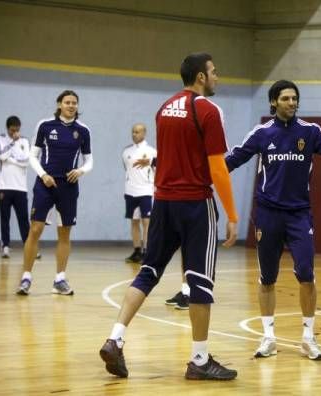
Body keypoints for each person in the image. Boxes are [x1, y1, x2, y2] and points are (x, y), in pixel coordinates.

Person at [99, 53, 239, 380]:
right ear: (200, 77)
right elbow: (218, 167)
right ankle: (200, 360)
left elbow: (171, 155)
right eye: (214, 72)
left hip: (162, 202)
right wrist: (232, 214)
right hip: (194, 205)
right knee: (200, 282)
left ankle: (115, 338)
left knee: (148, 271)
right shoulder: (207, 109)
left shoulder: (164, 108)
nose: (217, 77)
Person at [225, 79, 321, 360]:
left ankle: (308, 338)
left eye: (294, 98)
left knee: (306, 274)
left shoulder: (310, 131)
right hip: (268, 214)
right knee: (267, 277)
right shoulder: (261, 133)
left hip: (299, 215)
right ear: (273, 102)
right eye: (285, 99)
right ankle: (268, 338)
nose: (292, 103)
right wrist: (205, 173)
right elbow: (232, 159)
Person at [16, 90, 93, 296]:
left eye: (74, 103)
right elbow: (32, 156)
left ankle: (59, 279)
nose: (71, 105)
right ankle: (26, 277)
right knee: (35, 229)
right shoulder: (45, 125)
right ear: (59, 104)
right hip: (45, 184)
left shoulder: (83, 130)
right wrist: (43, 175)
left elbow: (89, 160)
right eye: (67, 102)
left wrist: (81, 171)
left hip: (68, 186)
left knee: (65, 232)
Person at [0, 116, 30, 259]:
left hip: (20, 187)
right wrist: (12, 145)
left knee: (23, 218)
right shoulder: (0, 138)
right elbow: (2, 156)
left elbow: (26, 161)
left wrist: (11, 159)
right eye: (12, 130)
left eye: (17, 130)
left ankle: (29, 247)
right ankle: (5, 247)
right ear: (7, 128)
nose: (15, 133)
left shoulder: (25, 141)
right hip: (4, 186)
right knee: (5, 218)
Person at [121, 123, 157, 264]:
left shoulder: (152, 151)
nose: (134, 134)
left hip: (146, 191)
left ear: (144, 133)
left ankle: (147, 251)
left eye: (137, 132)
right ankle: (137, 251)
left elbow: (160, 167)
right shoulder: (126, 152)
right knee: (134, 222)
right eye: (133, 131)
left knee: (146, 222)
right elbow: (127, 168)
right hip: (130, 191)